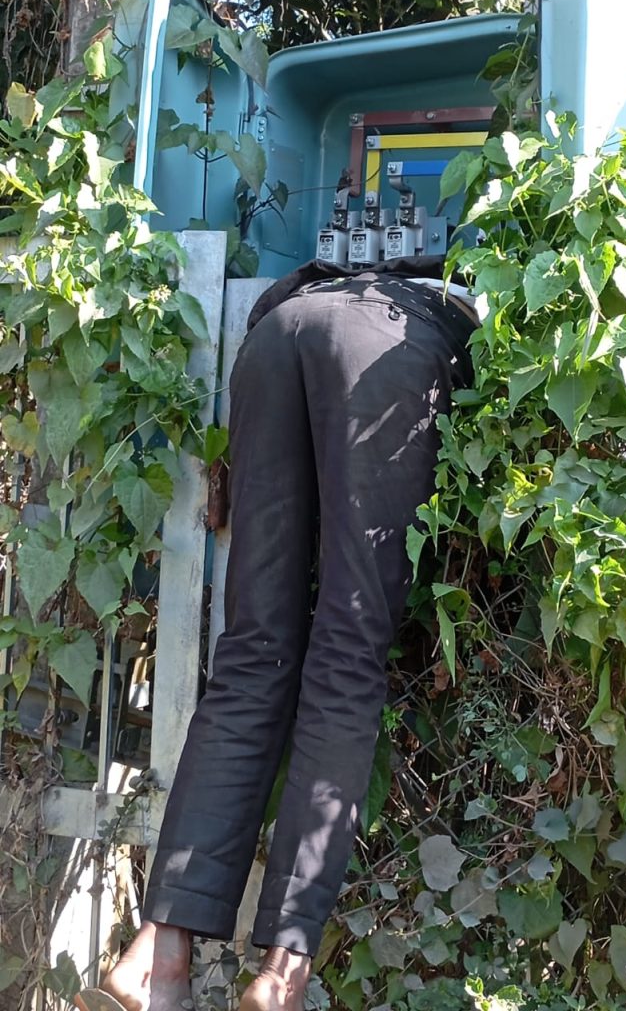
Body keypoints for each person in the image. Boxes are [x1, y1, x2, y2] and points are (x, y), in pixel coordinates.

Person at [75, 256, 478, 1011]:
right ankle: (279, 977)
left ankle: (155, 958)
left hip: (274, 339)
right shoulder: (457, 295)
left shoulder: (329, 282)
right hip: (386, 354)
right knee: (348, 655)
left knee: (252, 654)